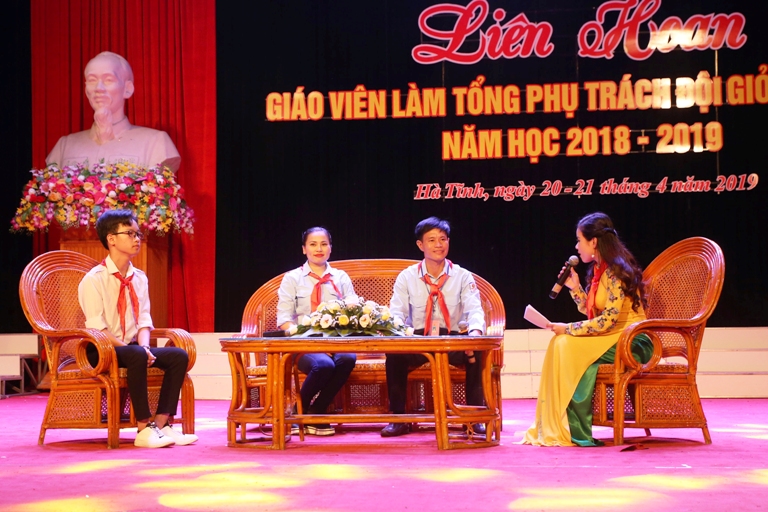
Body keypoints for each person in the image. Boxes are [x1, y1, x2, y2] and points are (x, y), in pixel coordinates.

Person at [522, 212, 653, 447]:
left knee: (565, 343)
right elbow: (594, 314)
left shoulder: (616, 272)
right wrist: (574, 288)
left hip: (633, 341)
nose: (576, 246)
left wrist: (568, 328)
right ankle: (567, 428)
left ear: (593, 242)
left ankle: (570, 428)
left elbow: (608, 320)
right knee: (562, 344)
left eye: (579, 240)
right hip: (613, 337)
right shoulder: (600, 270)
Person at [78, 209, 197, 448]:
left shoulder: (140, 278)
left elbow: (144, 320)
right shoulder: (94, 279)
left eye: (138, 234)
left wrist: (145, 347)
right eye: (130, 233)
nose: (136, 239)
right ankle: (143, 428)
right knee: (135, 354)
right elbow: (98, 329)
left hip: (133, 349)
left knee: (178, 356)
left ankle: (162, 424)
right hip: (101, 349)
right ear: (111, 239)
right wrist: (138, 350)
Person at [381, 217, 487, 437]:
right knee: (394, 353)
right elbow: (397, 313)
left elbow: (475, 309)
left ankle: (474, 417)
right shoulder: (407, 277)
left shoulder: (462, 276)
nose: (439, 244)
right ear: (420, 245)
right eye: (432, 240)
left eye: (443, 239)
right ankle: (398, 418)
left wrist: (475, 333)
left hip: (452, 339)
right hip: (418, 339)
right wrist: (400, 334)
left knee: (476, 350)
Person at [277, 227, 357, 436]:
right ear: (304, 249)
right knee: (323, 365)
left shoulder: (341, 277)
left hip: (336, 340)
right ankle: (300, 413)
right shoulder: (292, 278)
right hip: (303, 343)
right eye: (313, 244)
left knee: (347, 358)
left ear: (330, 248)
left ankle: (314, 411)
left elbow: (353, 310)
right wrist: (302, 334)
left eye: (323, 244)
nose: (318, 249)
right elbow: (284, 320)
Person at [46, 51, 180, 172]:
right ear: (86, 90)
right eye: (92, 80)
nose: (99, 88)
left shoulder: (156, 143)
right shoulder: (64, 146)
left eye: (108, 80)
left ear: (127, 89)